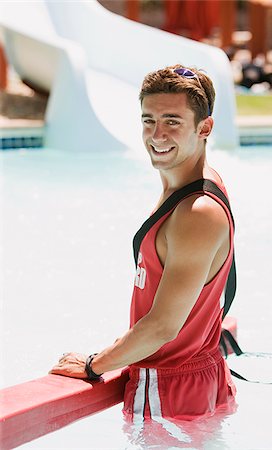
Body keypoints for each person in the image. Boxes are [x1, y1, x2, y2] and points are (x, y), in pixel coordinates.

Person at [50, 64, 237, 421]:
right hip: (195, 376)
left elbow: (162, 327)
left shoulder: (195, 212)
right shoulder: (200, 184)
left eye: (172, 121)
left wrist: (93, 364)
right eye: (148, 120)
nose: (157, 134)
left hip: (168, 387)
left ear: (205, 127)